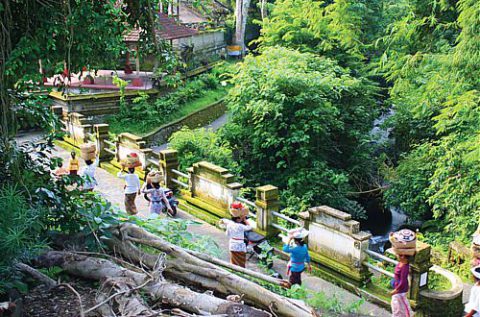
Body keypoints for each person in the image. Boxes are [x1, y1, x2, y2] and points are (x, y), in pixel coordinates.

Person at [220, 202, 252, 268]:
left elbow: (227, 234)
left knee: (233, 261)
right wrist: (245, 220)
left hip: (232, 244)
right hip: (240, 244)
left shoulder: (229, 225)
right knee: (241, 261)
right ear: (239, 218)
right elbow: (249, 227)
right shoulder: (240, 226)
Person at [391, 253, 414, 317]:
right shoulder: (400, 263)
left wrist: (396, 290)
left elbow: (403, 281)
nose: (397, 256)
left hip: (400, 291)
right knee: (397, 306)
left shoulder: (404, 267)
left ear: (403, 257)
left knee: (401, 306)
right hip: (397, 288)